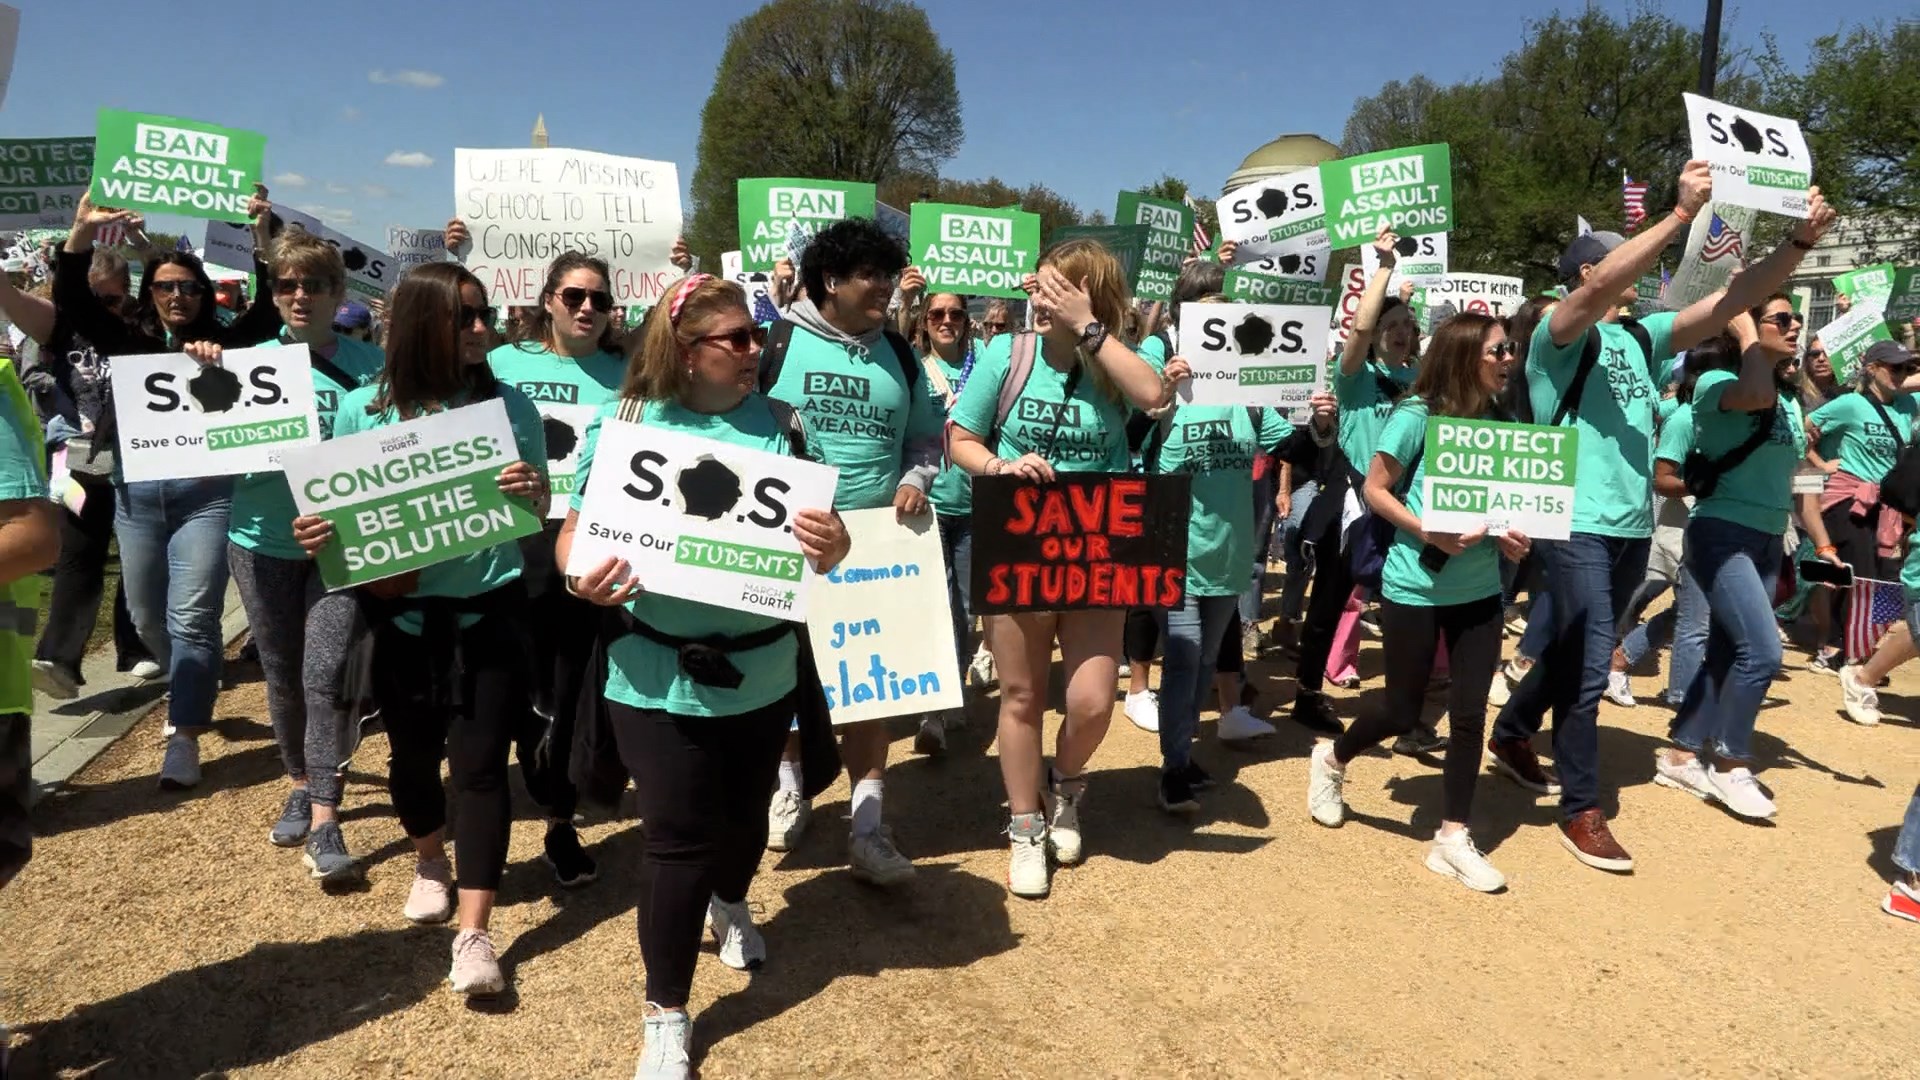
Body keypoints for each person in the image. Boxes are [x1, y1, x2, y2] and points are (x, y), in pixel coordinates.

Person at [1487, 165, 1832, 871]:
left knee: (1570, 648)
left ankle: (1515, 729)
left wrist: (1796, 244)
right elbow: (1598, 287)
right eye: (1621, 264)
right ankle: (1581, 807)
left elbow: (1733, 299)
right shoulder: (1558, 335)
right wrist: (1678, 216)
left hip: (1629, 524)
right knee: (1588, 666)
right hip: (1573, 519)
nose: (1640, 280)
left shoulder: (1639, 339)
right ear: (1590, 273)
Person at [555, 273, 851, 1080]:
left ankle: (733, 898)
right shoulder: (629, 422)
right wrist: (580, 574)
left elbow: (835, 543)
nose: (758, 352)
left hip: (762, 671)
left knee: (746, 822)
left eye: (759, 338)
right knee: (676, 839)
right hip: (650, 673)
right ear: (686, 355)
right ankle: (665, 1011)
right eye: (740, 340)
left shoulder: (785, 425)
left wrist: (833, 544)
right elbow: (575, 534)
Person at [292, 262, 549, 996]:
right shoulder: (362, 412)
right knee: (411, 759)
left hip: (488, 611)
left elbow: (533, 512)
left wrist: (534, 492)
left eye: (484, 314)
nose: (482, 330)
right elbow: (339, 522)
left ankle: (475, 932)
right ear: (422, 324)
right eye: (464, 316)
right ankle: (430, 857)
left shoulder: (510, 406)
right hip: (399, 615)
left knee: (477, 769)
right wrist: (319, 533)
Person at [947, 238, 1172, 898]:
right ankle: (1023, 826)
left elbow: (1154, 397)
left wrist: (1090, 328)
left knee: (1093, 701)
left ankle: (1066, 788)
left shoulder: (1118, 360)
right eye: (1036, 287)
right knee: (1020, 696)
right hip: (1022, 542)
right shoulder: (1004, 354)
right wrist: (999, 467)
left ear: (1089, 297)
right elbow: (960, 438)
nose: (1036, 299)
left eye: (1054, 289)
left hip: (1100, 547)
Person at [53, 189, 282, 789]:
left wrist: (261, 235)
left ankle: (184, 733)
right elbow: (73, 300)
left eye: (189, 287)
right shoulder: (126, 341)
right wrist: (81, 231)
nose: (178, 296)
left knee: (193, 616)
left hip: (206, 496)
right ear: (149, 293)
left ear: (205, 295)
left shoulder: (227, 344)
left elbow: (270, 313)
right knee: (147, 617)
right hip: (136, 496)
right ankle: (189, 678)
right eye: (165, 287)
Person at [1306, 312, 1527, 891]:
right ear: (1466, 356)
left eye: (1512, 350)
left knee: (1471, 712)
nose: (1510, 359)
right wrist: (1428, 530)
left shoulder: (1503, 417)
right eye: (1499, 350)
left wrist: (1513, 533)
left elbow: (1505, 500)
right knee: (1403, 711)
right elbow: (1375, 490)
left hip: (1479, 589)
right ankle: (1332, 758)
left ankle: (1452, 837)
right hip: (1416, 586)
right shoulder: (1416, 415)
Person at [760, 218, 939, 886]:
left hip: (875, 551)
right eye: (871, 275)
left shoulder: (900, 353)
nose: (886, 288)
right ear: (829, 280)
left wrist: (915, 478)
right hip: (788, 546)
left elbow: (928, 439)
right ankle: (790, 787)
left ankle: (867, 826)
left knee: (871, 688)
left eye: (890, 275)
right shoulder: (776, 342)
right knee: (783, 679)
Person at [225, 231, 383, 881]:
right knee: (284, 675)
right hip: (260, 542)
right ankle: (297, 777)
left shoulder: (373, 369)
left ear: (337, 294)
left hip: (342, 547)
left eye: (312, 285)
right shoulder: (242, 363)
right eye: (286, 284)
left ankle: (324, 814)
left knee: (324, 674)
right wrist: (201, 373)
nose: (298, 295)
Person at [482, 250, 630, 890]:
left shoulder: (629, 374)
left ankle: (559, 819)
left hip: (586, 543)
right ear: (547, 301)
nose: (587, 308)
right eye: (574, 296)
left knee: (571, 685)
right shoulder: (503, 364)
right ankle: (489, 797)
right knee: (508, 681)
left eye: (598, 298)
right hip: (509, 542)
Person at [1651, 298, 1811, 820]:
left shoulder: (1788, 396)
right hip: (1724, 535)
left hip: (1766, 538)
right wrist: (1745, 331)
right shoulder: (1719, 384)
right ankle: (1729, 762)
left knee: (1726, 652)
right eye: (1781, 319)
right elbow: (1754, 392)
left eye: (1796, 320)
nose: (1795, 327)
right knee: (1763, 653)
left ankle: (1681, 754)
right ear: (1744, 326)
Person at [1144, 287, 1284, 812]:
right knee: (1183, 660)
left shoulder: (1248, 396)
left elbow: (1283, 441)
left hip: (1229, 556)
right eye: (1207, 322)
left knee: (1204, 667)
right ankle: (1172, 771)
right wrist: (1164, 397)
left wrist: (1317, 422)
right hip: (1176, 552)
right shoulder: (1165, 392)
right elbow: (1153, 470)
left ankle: (1181, 754)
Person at [0, 248, 157, 697]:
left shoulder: (134, 328)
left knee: (135, 546)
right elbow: (27, 354)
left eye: (115, 300)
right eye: (96, 299)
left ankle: (135, 647)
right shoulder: (55, 327)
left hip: (138, 453)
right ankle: (59, 657)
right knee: (79, 546)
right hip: (76, 450)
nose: (107, 309)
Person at [1289, 229, 1418, 736]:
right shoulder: (1355, 377)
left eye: (1407, 324)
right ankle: (1307, 693)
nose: (1400, 332)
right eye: (1391, 324)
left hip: (1408, 506)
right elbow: (1360, 331)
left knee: (1407, 605)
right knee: (1329, 602)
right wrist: (1385, 267)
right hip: (1356, 507)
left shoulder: (1423, 379)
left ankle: (1404, 706)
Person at [1801, 340, 1919, 674]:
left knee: (1884, 580)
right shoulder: (1850, 404)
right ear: (1871, 368)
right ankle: (1840, 648)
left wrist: (1912, 338)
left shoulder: (1910, 403)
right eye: (1894, 367)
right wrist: (1821, 464)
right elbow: (1803, 428)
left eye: (1906, 368)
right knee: (1860, 573)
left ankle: (1860, 646)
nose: (1902, 373)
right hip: (1848, 499)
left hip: (1889, 506)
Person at [912, 289, 981, 755]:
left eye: (956, 313)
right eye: (937, 313)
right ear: (925, 322)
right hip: (928, 508)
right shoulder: (914, 369)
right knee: (932, 610)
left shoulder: (986, 369)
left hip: (976, 507)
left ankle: (952, 686)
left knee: (965, 609)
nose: (947, 320)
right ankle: (932, 711)